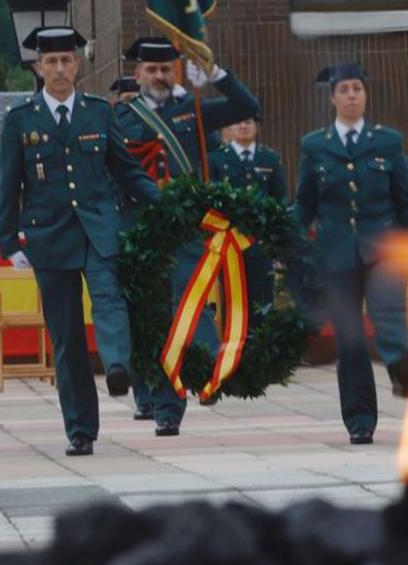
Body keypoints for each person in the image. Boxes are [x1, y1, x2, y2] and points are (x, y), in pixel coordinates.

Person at [0, 27, 159, 456]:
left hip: (99, 230)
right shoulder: (20, 119)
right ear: (38, 67)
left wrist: (167, 202)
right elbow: (8, 185)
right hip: (49, 239)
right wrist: (8, 241)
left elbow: (127, 170)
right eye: (51, 62)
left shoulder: (98, 112)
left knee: (109, 299)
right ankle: (81, 430)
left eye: (66, 60)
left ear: (77, 64)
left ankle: (118, 366)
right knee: (67, 339)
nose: (60, 69)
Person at [118, 37, 260, 436]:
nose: (159, 76)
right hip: (142, 232)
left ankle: (207, 370)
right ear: (138, 74)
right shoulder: (121, 118)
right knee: (157, 320)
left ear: (176, 73)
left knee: (189, 304)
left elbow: (247, 108)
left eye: (166, 69)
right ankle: (166, 407)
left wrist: (218, 75)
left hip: (185, 229)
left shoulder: (193, 111)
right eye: (152, 69)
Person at [295, 63, 408, 445]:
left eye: (357, 89)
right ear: (332, 97)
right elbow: (304, 205)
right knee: (349, 341)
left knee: (389, 316)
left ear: (365, 96)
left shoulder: (387, 141)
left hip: (382, 250)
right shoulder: (314, 145)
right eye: (344, 90)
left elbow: (406, 200)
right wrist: (286, 241)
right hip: (335, 256)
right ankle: (360, 419)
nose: (351, 95)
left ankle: (403, 368)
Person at [209, 115, 287, 324]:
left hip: (261, 244)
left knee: (263, 301)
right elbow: (210, 202)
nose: (243, 126)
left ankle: (262, 351)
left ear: (256, 127)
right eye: (238, 121)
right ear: (229, 127)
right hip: (229, 244)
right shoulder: (217, 159)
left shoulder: (270, 158)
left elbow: (280, 199)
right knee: (233, 302)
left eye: (249, 122)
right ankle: (235, 353)